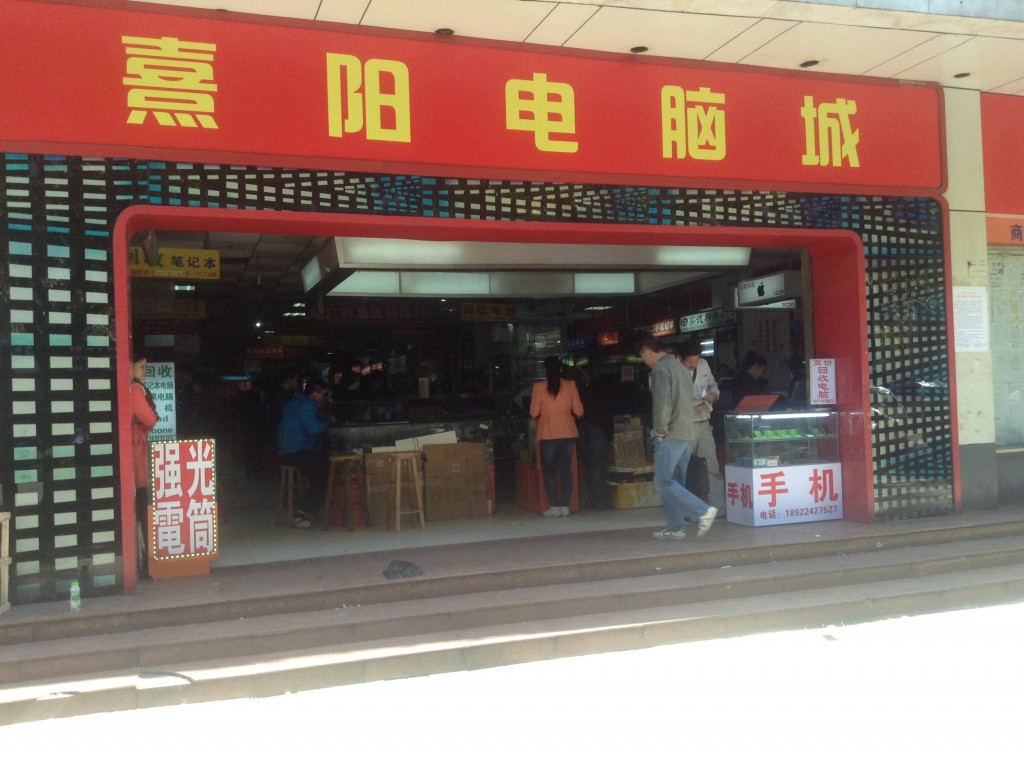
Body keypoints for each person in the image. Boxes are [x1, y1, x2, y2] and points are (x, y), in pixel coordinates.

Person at [638, 336, 718, 540]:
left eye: (643, 357)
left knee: (663, 482)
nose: (645, 362)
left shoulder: (661, 370)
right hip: (687, 432)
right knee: (675, 483)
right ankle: (676, 528)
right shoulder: (681, 368)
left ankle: (702, 511)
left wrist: (660, 432)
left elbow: (663, 404)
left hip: (671, 434)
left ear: (648, 351)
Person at [530, 356, 584, 518]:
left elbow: (533, 413)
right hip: (568, 434)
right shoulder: (571, 385)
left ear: (546, 370)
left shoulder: (538, 387)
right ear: (561, 369)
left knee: (549, 471)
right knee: (566, 470)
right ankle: (565, 506)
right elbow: (579, 411)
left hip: (548, 435)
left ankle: (554, 506)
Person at [675, 341, 726, 509]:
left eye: (696, 362)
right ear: (679, 358)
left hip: (703, 422)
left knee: (711, 465)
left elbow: (713, 384)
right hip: (682, 426)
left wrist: (714, 395)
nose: (693, 365)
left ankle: (717, 506)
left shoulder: (703, 365)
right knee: (683, 469)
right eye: (690, 363)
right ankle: (685, 509)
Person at [277, 378, 331, 529]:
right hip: (296, 451)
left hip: (288, 451)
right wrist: (328, 422)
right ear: (314, 393)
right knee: (323, 475)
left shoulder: (296, 404)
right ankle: (303, 512)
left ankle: (306, 508)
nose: (325, 398)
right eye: (324, 394)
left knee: (319, 473)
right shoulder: (306, 407)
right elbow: (313, 429)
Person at [130, 349, 159, 578]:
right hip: (136, 454)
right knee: (139, 509)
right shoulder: (135, 390)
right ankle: (142, 562)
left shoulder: (131, 388)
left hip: (135, 452)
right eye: (141, 366)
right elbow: (149, 418)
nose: (144, 371)